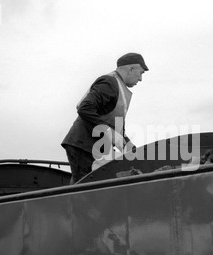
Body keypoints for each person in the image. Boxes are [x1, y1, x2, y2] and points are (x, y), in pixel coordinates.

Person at [61, 52, 148, 184]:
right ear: (131, 69)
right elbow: (85, 108)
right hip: (83, 145)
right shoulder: (109, 82)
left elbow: (117, 129)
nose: (141, 79)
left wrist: (131, 148)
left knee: (89, 188)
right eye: (141, 73)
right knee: (84, 191)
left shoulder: (121, 91)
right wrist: (107, 131)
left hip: (96, 148)